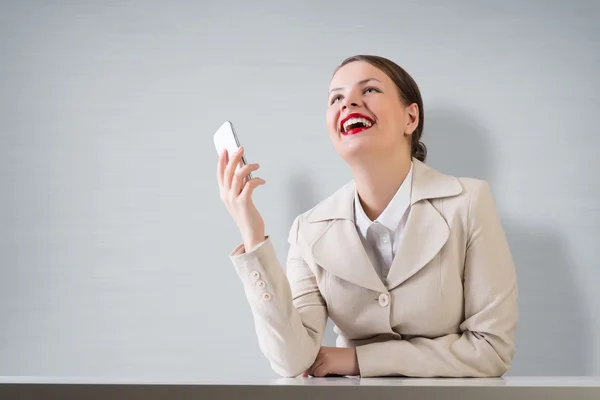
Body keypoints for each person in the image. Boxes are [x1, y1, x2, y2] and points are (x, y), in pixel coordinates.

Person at [216, 55, 518, 378]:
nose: (349, 104)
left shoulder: (469, 203)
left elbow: (491, 349)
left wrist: (358, 359)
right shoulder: (308, 230)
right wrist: (252, 235)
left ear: (410, 117)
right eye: (336, 98)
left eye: (369, 90)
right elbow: (293, 359)